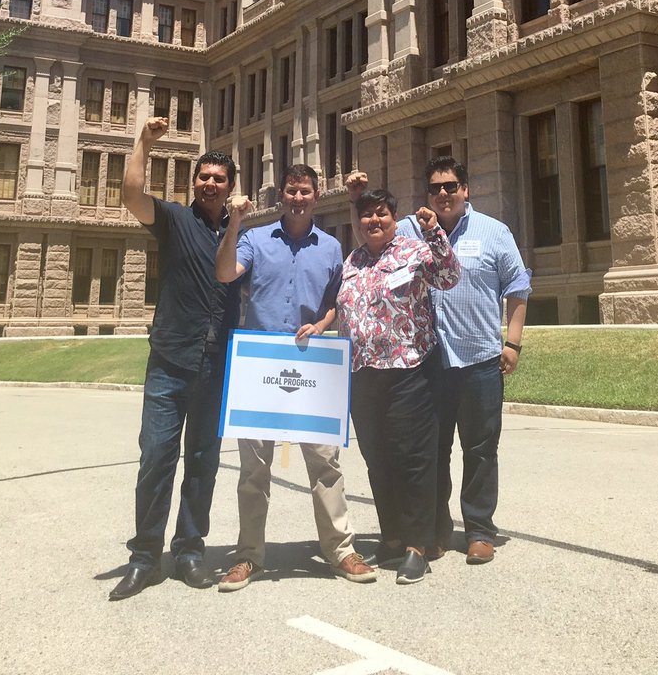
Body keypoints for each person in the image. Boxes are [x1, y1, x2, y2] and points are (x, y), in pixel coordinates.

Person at [214, 163, 376, 590]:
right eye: (291, 191)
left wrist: (322, 324)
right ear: (281, 195)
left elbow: (338, 300)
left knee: (325, 463)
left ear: (316, 196)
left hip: (312, 364)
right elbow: (225, 273)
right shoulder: (255, 238)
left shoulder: (331, 248)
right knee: (253, 469)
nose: (298, 198)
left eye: (305, 191)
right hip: (261, 365)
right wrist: (235, 222)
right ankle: (248, 556)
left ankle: (341, 550)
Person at [109, 118, 239, 601]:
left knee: (203, 462)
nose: (209, 183)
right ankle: (144, 558)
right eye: (203, 176)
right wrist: (143, 142)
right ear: (194, 182)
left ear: (230, 187)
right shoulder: (173, 219)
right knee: (157, 458)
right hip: (170, 360)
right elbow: (131, 195)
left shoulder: (240, 234)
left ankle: (189, 552)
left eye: (218, 178)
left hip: (216, 365)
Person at [398, 157, 530, 565]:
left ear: (465, 190)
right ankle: (435, 530)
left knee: (481, 449)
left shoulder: (494, 231)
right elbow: (373, 233)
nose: (443, 194)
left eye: (451, 186)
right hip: (429, 362)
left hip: (480, 361)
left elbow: (518, 286)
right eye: (435, 187)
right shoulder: (409, 231)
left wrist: (513, 343)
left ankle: (479, 531)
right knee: (432, 451)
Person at [337, 185, 460, 586]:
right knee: (378, 459)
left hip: (409, 372)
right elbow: (341, 308)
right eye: (367, 214)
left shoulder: (414, 250)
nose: (373, 220)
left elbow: (449, 276)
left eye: (381, 213)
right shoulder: (353, 260)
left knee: (413, 460)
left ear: (394, 218)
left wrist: (434, 232)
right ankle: (391, 538)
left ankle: (417, 547)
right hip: (363, 375)